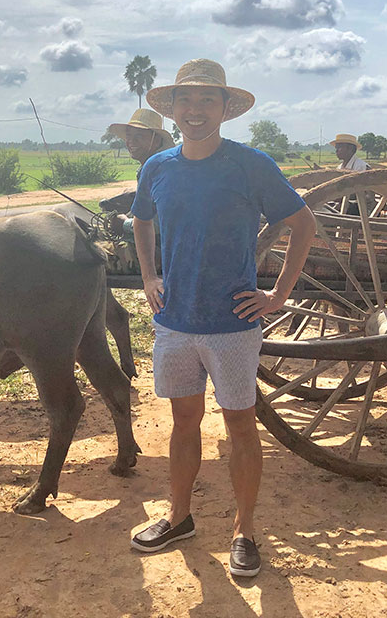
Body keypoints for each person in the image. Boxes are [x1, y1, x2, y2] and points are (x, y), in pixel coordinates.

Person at [128, 59, 316, 578]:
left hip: (233, 324)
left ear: (225, 109)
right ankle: (180, 517)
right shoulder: (157, 167)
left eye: (207, 100)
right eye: (186, 100)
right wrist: (149, 276)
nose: (195, 110)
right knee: (183, 423)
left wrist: (278, 293)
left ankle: (245, 530)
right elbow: (142, 220)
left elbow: (302, 223)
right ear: (173, 110)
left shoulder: (249, 165)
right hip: (174, 322)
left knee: (240, 426)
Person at [102, 108, 175, 237]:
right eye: (129, 136)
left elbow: (159, 223)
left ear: (156, 140)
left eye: (139, 136)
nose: (131, 141)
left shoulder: (161, 169)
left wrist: (123, 223)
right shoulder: (147, 168)